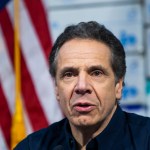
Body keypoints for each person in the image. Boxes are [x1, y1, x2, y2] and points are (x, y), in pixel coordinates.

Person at [14, 21, 150, 150]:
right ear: (56, 88)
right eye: (69, 74)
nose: (82, 86)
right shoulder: (31, 147)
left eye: (96, 73)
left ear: (118, 86)